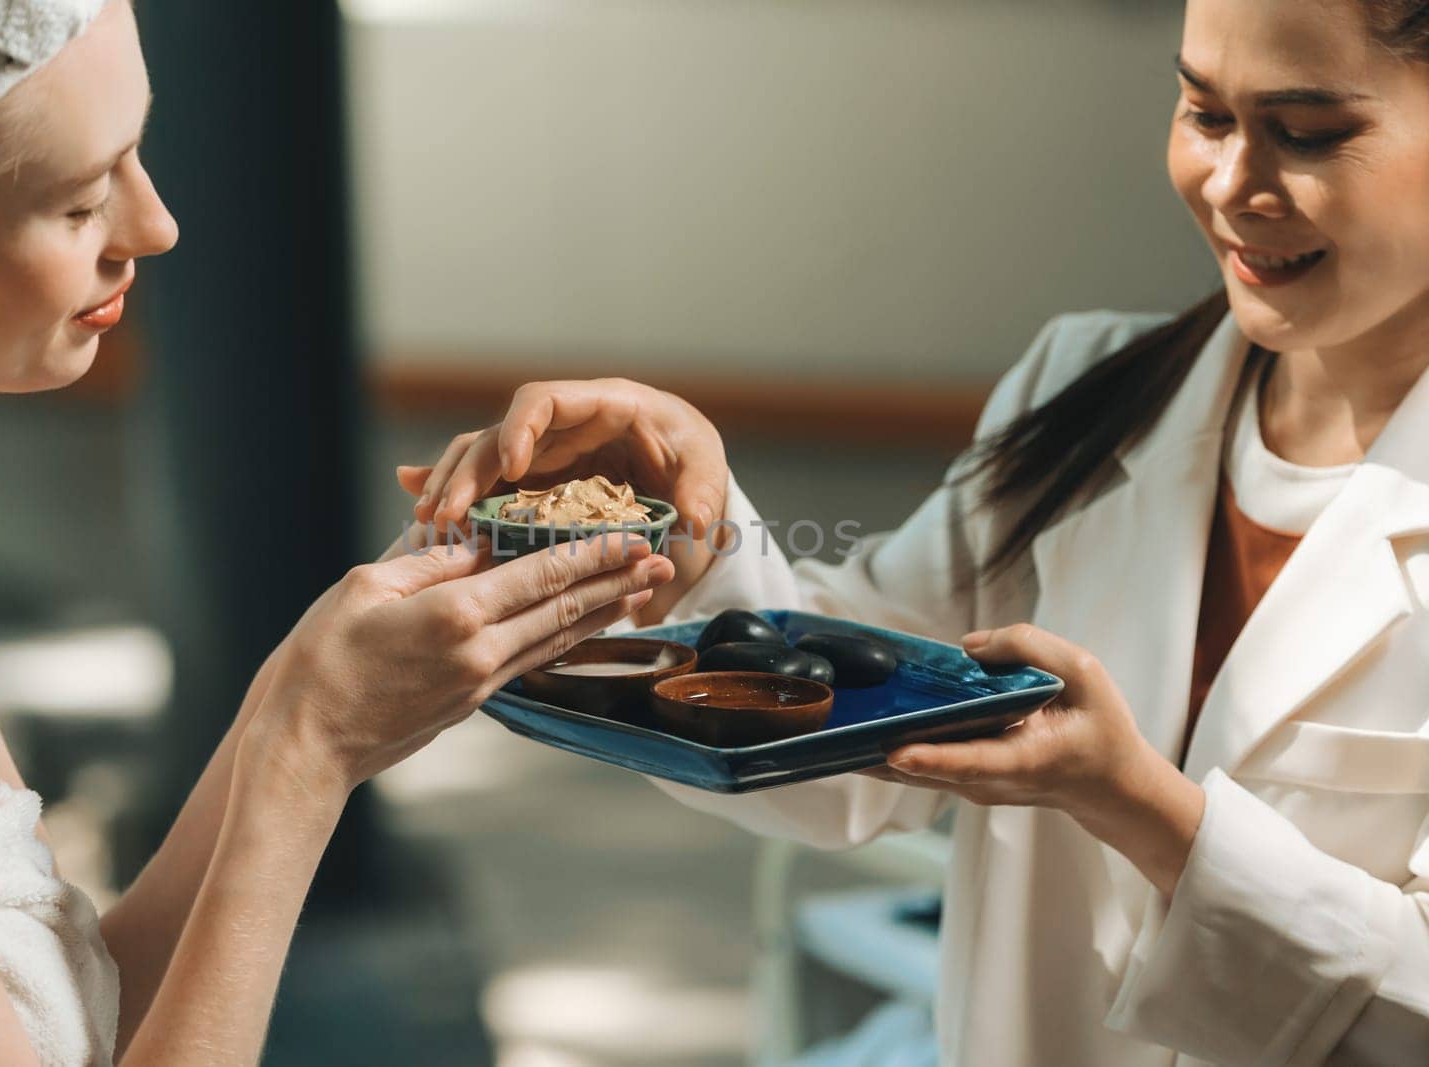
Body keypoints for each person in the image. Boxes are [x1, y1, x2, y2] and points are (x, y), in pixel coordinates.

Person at [409, 0, 1429, 1062]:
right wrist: (681, 546)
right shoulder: (1082, 390)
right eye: (1203, 112)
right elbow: (853, 723)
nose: (1229, 185)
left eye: (1307, 132)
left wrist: (1138, 808)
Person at [0, 2, 675, 1064]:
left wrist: (301, 694)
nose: (154, 226)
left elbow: (81, 1011)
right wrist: (305, 756)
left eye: (139, 155)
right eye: (83, 200)